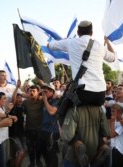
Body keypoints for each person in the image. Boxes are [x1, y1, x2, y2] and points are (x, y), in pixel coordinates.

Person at [48, 20, 115, 166]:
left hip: (82, 91)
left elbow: (51, 45)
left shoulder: (71, 42)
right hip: (100, 92)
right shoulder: (98, 45)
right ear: (92, 32)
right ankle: (102, 144)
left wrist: (47, 43)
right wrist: (107, 42)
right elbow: (113, 57)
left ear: (78, 32)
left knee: (61, 113)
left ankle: (77, 143)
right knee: (98, 114)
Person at [39, 83, 60, 167]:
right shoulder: (47, 100)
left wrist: (45, 100)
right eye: (43, 91)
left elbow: (52, 112)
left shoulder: (57, 101)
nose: (44, 93)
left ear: (52, 92)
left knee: (52, 153)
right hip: (44, 130)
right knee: (44, 151)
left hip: (52, 131)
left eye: (46, 91)